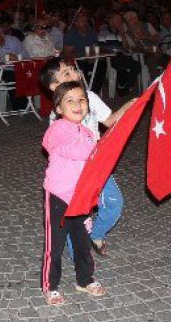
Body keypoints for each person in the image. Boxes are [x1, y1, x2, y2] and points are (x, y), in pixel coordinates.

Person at [39, 59, 136, 257]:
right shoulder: (57, 115)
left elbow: (109, 121)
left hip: (97, 165)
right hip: (73, 173)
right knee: (76, 213)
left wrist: (129, 106)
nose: (75, 74)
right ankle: (79, 259)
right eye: (67, 74)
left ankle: (95, 233)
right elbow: (56, 149)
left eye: (73, 70)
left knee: (114, 203)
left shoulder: (89, 97)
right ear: (55, 87)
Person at [40, 81, 107, 306]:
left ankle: (85, 279)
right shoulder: (57, 129)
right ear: (58, 108)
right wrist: (96, 149)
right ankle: (51, 286)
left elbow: (91, 167)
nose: (78, 104)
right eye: (70, 101)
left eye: (82, 100)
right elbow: (67, 149)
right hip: (59, 195)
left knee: (82, 242)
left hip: (81, 197)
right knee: (55, 245)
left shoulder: (88, 133)